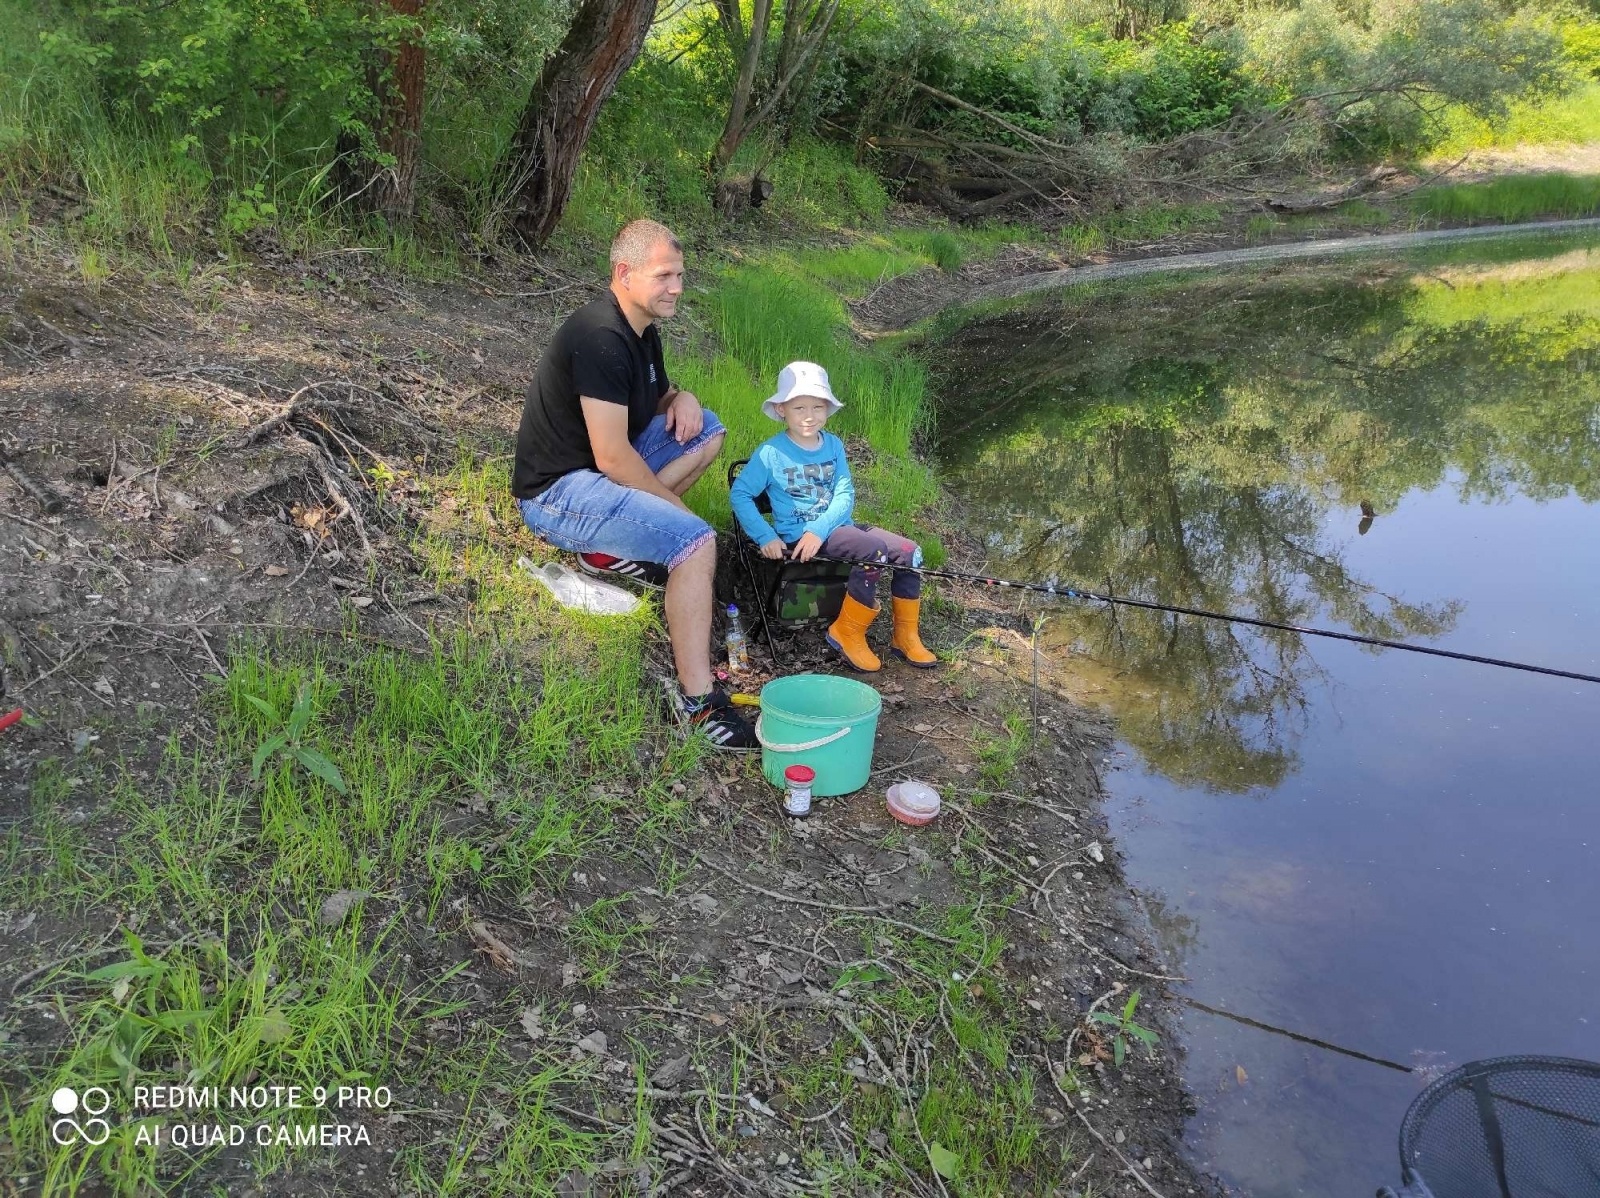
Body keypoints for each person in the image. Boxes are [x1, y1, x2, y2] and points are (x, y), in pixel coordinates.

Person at [512, 219, 757, 750]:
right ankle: (699, 703)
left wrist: (684, 397)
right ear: (624, 272)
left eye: (680, 275)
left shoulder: (641, 330)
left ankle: (615, 546)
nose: (677, 287)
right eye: (664, 275)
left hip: (596, 474)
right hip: (558, 494)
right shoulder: (600, 337)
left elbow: (659, 397)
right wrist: (679, 513)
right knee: (695, 542)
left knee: (708, 429)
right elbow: (613, 455)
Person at [729, 360, 939, 674]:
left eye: (818, 406)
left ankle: (904, 637)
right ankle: (847, 632)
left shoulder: (834, 445)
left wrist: (821, 528)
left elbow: (845, 494)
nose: (809, 415)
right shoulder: (771, 453)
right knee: (873, 551)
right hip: (798, 534)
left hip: (835, 527)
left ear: (828, 408)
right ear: (782, 409)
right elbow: (740, 494)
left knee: (910, 552)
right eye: (799, 407)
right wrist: (765, 535)